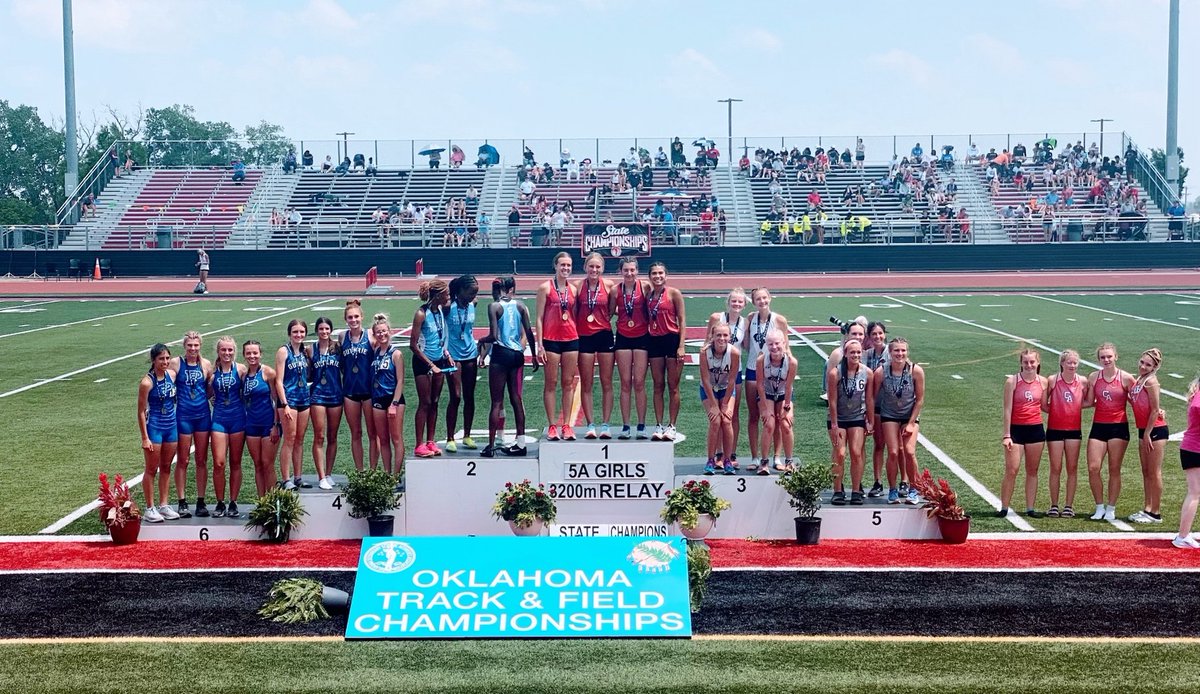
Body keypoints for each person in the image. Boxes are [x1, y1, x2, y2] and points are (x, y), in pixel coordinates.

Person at [479, 276, 539, 457]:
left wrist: (481, 341)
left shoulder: (494, 306)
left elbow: (493, 336)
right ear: (512, 289)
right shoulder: (520, 306)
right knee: (516, 399)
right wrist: (534, 355)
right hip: (517, 355)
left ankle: (491, 446)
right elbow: (529, 333)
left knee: (497, 401)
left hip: (500, 354)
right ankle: (521, 443)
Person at [1083, 342, 1134, 521]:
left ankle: (1111, 507)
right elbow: (1089, 401)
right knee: (1093, 467)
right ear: (1099, 359)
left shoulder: (1126, 378)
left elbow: (1137, 401)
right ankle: (1099, 506)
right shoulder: (1094, 377)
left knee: (1114, 468)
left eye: (1109, 356)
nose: (1106, 360)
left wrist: (1157, 411)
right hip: (1098, 426)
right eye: (1103, 357)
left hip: (1118, 427)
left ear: (1115, 357)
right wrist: (1063, 405)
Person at [874, 338, 925, 504]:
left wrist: (910, 423)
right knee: (893, 452)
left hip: (909, 415)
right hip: (889, 414)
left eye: (903, 350)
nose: (900, 353)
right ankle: (892, 490)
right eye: (896, 350)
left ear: (907, 352)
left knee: (909, 451)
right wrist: (870, 418)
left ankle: (913, 489)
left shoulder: (916, 371)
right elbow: (872, 397)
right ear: (890, 352)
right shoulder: (881, 372)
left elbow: (920, 400)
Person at [535, 252, 580, 441]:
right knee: (551, 383)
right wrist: (540, 345)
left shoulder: (574, 289)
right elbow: (539, 318)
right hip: (551, 340)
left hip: (571, 339)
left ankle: (567, 425)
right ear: (555, 266)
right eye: (562, 265)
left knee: (568, 383)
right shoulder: (545, 288)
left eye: (568, 265)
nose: (565, 268)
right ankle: (552, 425)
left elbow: (574, 315)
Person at [743, 288, 789, 468]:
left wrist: (787, 368)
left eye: (764, 298)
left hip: (774, 372)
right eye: (758, 299)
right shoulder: (750, 318)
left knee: (776, 416)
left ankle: (776, 457)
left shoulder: (779, 320)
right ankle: (755, 458)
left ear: (770, 298)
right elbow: (746, 344)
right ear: (753, 302)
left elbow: (786, 346)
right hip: (753, 369)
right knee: (754, 415)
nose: (762, 301)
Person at [1000, 349, 1048, 518]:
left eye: (1032, 362)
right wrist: (1007, 435)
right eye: (1026, 362)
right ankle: (1004, 507)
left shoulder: (1043, 382)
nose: (1029, 365)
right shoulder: (1012, 381)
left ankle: (1030, 508)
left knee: (1032, 470)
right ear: (1021, 363)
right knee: (1012, 470)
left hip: (1036, 430)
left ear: (1038, 363)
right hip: (1016, 430)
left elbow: (1045, 406)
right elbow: (1007, 409)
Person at [574, 253, 616, 440]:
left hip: (604, 335)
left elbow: (612, 309)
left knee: (607, 382)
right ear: (585, 267)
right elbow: (574, 310)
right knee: (587, 383)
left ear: (602, 268)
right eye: (591, 266)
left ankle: (605, 424)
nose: (594, 270)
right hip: (584, 336)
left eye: (598, 267)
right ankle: (590, 424)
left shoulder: (609, 285)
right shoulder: (578, 286)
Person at [137, 344, 180, 523]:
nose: (165, 361)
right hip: (155, 428)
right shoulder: (147, 382)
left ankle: (164, 504)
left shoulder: (171, 375)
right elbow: (141, 411)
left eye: (167, 358)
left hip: (171, 427)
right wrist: (145, 437)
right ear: (153, 360)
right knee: (151, 469)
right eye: (161, 358)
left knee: (167, 466)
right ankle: (150, 508)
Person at [828, 338, 874, 505]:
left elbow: (869, 399)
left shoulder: (867, 373)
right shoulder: (835, 373)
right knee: (840, 453)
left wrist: (870, 420)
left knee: (856, 452)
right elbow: (832, 400)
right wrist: (834, 424)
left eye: (858, 352)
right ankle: (837, 490)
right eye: (852, 352)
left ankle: (856, 490)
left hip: (857, 417)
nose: (855, 355)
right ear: (845, 354)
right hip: (838, 417)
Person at [171, 332, 212, 519]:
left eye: (196, 345)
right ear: (184, 346)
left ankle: (201, 501)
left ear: (200, 346)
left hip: (203, 416)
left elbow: (210, 389)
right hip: (184, 417)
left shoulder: (206, 364)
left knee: (201, 460)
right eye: (190, 345)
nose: (193, 349)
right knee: (183, 460)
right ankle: (182, 501)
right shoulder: (176, 363)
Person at [706, 289, 748, 466]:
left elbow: (746, 344)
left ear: (744, 305)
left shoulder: (745, 322)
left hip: (734, 372)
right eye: (734, 301)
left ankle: (731, 454)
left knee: (731, 414)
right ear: (728, 302)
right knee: (716, 415)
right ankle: (718, 454)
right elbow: (707, 341)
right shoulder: (717, 317)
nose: (736, 304)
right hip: (715, 372)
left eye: (740, 302)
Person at [409, 280, 451, 457]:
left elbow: (439, 337)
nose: (448, 297)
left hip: (439, 361)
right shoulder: (421, 314)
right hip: (423, 363)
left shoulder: (439, 310)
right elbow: (413, 345)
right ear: (438, 295)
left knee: (434, 401)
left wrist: (446, 354)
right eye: (446, 294)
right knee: (425, 402)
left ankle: (430, 441)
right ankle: (419, 445)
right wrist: (431, 365)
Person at [1044, 349, 1086, 518]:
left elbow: (1089, 400)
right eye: (1069, 362)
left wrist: (1073, 408)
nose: (1072, 365)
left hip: (1074, 430)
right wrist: (1058, 411)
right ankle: (1054, 505)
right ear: (1062, 363)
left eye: (1075, 362)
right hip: (1054, 429)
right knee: (1055, 468)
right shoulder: (1053, 380)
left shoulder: (1082, 381)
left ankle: (1069, 506)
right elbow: (1043, 404)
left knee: (1072, 468)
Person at [612, 258, 651, 440]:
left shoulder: (645, 287)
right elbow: (609, 312)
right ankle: (626, 425)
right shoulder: (615, 290)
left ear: (637, 271)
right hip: (623, 338)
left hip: (642, 337)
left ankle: (641, 425)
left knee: (640, 383)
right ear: (621, 271)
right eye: (626, 270)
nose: (629, 273)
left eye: (632, 270)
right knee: (625, 383)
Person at [646, 262, 686, 441]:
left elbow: (682, 320)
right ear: (650, 276)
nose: (657, 276)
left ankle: (672, 425)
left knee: (673, 386)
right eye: (654, 273)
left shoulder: (674, 293)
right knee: (658, 385)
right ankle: (659, 424)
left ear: (666, 275)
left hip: (672, 340)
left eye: (660, 273)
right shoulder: (648, 295)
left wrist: (681, 346)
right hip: (654, 341)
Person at [208, 336, 246, 518]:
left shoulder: (241, 370)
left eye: (230, 350)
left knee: (236, 462)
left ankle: (233, 502)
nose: (227, 353)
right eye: (223, 349)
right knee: (219, 463)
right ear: (218, 351)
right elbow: (206, 393)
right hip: (219, 420)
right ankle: (220, 502)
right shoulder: (211, 372)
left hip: (238, 419)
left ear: (234, 351)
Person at [1128, 348, 1167, 524]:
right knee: (1146, 471)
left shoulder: (1151, 381)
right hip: (1144, 430)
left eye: (1148, 365)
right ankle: (1147, 508)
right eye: (1142, 362)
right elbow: (1137, 401)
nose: (1143, 366)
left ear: (1154, 367)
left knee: (1154, 471)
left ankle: (1156, 513)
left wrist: (1148, 433)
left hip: (1154, 431)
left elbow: (1154, 409)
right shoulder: (1140, 379)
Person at [338, 299, 376, 471]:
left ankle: (373, 471)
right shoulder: (342, 337)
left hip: (369, 391)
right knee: (356, 433)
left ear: (362, 317)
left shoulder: (370, 335)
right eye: (350, 317)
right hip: (350, 391)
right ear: (345, 319)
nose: (353, 320)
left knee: (372, 433)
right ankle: (360, 472)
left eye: (356, 317)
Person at [444, 275, 481, 453]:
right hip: (453, 356)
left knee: (469, 396)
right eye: (470, 293)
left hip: (471, 354)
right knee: (456, 396)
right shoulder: (448, 307)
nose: (473, 296)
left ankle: (467, 435)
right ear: (460, 291)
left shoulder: (473, 304)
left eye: (475, 293)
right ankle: (450, 437)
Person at [275, 320, 312, 490]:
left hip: (304, 398)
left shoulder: (305, 351)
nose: (299, 335)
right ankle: (286, 479)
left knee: (299, 439)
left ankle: (298, 477)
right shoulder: (283, 351)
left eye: (302, 332)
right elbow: (279, 381)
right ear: (289, 333)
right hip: (289, 400)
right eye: (295, 332)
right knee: (289, 439)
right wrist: (284, 404)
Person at [700, 322, 741, 475]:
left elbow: (732, 380)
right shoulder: (704, 352)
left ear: (730, 337)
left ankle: (727, 460)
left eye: (725, 335)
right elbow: (705, 380)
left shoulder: (734, 353)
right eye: (718, 335)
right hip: (708, 389)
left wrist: (724, 404)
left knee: (727, 420)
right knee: (715, 421)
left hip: (726, 389)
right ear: (712, 336)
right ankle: (711, 460)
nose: (722, 338)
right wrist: (713, 405)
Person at [755, 330, 798, 475]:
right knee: (769, 424)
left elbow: (789, 386)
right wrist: (765, 408)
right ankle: (764, 462)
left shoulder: (791, 362)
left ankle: (789, 461)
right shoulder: (761, 360)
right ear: (766, 345)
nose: (774, 347)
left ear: (784, 343)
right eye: (770, 344)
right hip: (767, 393)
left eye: (777, 343)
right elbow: (760, 384)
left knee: (786, 424)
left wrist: (787, 407)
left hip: (783, 393)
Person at [308, 317, 343, 490]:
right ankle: (321, 476)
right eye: (321, 329)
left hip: (336, 394)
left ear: (331, 330)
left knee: (332, 436)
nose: (324, 332)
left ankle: (329, 473)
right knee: (319, 436)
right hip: (317, 396)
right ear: (317, 330)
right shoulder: (310, 349)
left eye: (327, 329)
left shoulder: (338, 348)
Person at [241, 340, 279, 497]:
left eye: (255, 353)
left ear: (260, 354)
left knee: (268, 464)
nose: (252, 356)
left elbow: (277, 400)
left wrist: (276, 425)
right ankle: (262, 501)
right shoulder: (243, 376)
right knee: (257, 465)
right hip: (251, 425)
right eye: (248, 353)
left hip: (268, 424)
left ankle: (273, 501)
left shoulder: (268, 373)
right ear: (244, 355)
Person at [370, 313, 406, 476]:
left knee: (396, 438)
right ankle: (386, 473)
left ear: (389, 331)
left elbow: (400, 381)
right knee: (383, 439)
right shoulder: (375, 351)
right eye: (378, 332)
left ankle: (396, 476)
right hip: (378, 399)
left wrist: (394, 403)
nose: (381, 334)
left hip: (393, 400)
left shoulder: (396, 353)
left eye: (384, 331)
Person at [863, 321, 890, 496]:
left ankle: (904, 482)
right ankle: (878, 482)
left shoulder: (891, 351)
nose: (877, 337)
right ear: (869, 336)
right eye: (874, 334)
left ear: (885, 334)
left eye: (880, 333)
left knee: (898, 448)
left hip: (892, 406)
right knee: (879, 444)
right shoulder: (866, 354)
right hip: (875, 405)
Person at [1174, 377, 1200, 548]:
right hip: (1195, 449)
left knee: (1195, 493)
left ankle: (1183, 535)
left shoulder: (1196, 394)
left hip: (1192, 447)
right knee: (1194, 493)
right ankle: (1182, 536)